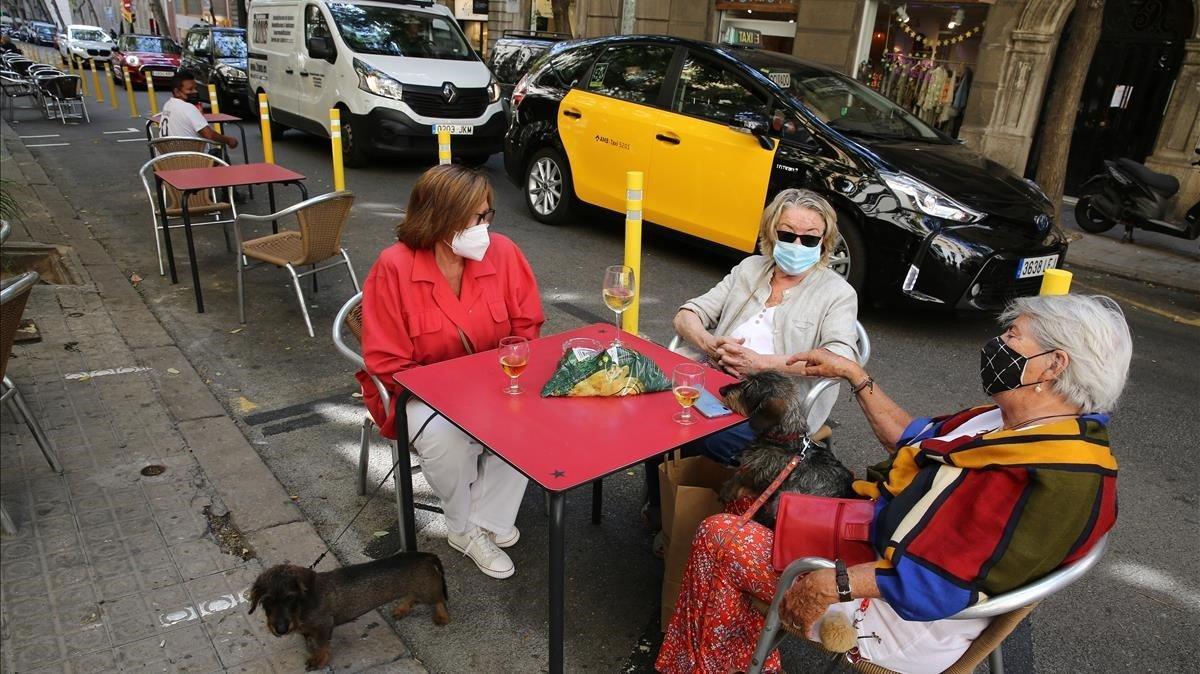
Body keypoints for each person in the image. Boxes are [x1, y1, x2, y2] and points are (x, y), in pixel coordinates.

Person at [657, 293, 1129, 674]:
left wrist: (831, 583)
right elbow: (914, 442)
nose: (998, 344)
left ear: (1053, 365)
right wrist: (854, 375)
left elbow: (936, 584)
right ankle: (721, 656)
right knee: (748, 513)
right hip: (884, 543)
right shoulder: (1022, 425)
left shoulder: (1039, 473)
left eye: (1012, 336)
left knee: (722, 536)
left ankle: (711, 662)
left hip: (900, 618)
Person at [358, 164, 545, 580]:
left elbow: (526, 326)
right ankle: (463, 528)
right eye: (476, 218)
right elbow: (387, 362)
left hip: (492, 382)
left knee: (529, 420)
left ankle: (486, 520)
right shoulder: (394, 266)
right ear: (438, 218)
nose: (485, 227)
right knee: (447, 435)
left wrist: (501, 375)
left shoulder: (504, 253)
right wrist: (456, 396)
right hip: (419, 394)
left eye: (487, 215)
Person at [644, 189, 858, 526]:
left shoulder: (836, 294)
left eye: (809, 238)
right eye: (787, 235)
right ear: (772, 233)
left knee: (691, 430)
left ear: (824, 241)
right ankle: (661, 511)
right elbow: (687, 314)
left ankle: (699, 521)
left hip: (771, 414)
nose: (797, 245)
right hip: (714, 382)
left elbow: (841, 360)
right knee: (657, 410)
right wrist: (709, 343)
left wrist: (761, 363)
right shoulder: (750, 270)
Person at [159, 70, 238, 150]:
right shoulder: (188, 108)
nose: (195, 91)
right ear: (177, 92)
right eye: (190, 89)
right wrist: (229, 140)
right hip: (188, 159)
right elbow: (209, 135)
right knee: (217, 153)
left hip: (164, 158)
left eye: (195, 88)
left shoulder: (167, 105)